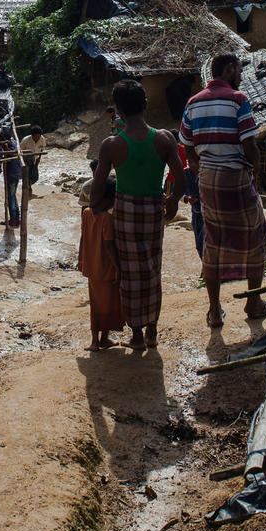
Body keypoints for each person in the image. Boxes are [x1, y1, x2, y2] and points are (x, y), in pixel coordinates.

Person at [90, 79, 183, 350]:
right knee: (153, 268)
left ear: (118, 110)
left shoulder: (111, 145)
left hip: (125, 212)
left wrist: (95, 208)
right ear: (145, 104)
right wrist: (174, 200)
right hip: (154, 209)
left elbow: (98, 185)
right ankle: (153, 330)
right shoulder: (164, 137)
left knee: (130, 274)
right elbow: (180, 176)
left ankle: (137, 335)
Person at [180, 53, 266, 330]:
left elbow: (186, 147)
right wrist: (257, 172)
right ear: (230, 69)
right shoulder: (238, 99)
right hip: (236, 179)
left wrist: (201, 171)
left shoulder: (193, 103)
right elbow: (250, 145)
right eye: (240, 70)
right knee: (258, 238)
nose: (242, 76)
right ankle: (253, 303)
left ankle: (215, 310)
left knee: (214, 242)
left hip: (208, 182)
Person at [77, 181, 124, 350]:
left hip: (92, 264)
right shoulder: (107, 218)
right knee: (108, 303)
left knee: (96, 302)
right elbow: (109, 245)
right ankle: (99, 340)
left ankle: (99, 339)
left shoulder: (87, 213)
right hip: (106, 267)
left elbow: (83, 237)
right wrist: (119, 267)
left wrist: (81, 259)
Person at [0, 131, 23, 246]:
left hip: (12, 174)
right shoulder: (13, 141)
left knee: (11, 197)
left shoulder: (10, 144)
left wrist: (5, 148)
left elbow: (13, 154)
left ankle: (13, 219)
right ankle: (16, 218)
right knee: (13, 197)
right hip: (15, 173)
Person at [22, 125, 47, 196]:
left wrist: (38, 160)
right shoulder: (25, 140)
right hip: (26, 160)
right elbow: (20, 151)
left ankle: (29, 185)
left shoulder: (42, 139)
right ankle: (28, 188)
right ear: (32, 135)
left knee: (35, 176)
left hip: (35, 159)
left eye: (39, 136)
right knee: (27, 175)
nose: (37, 138)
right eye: (36, 136)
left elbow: (42, 149)